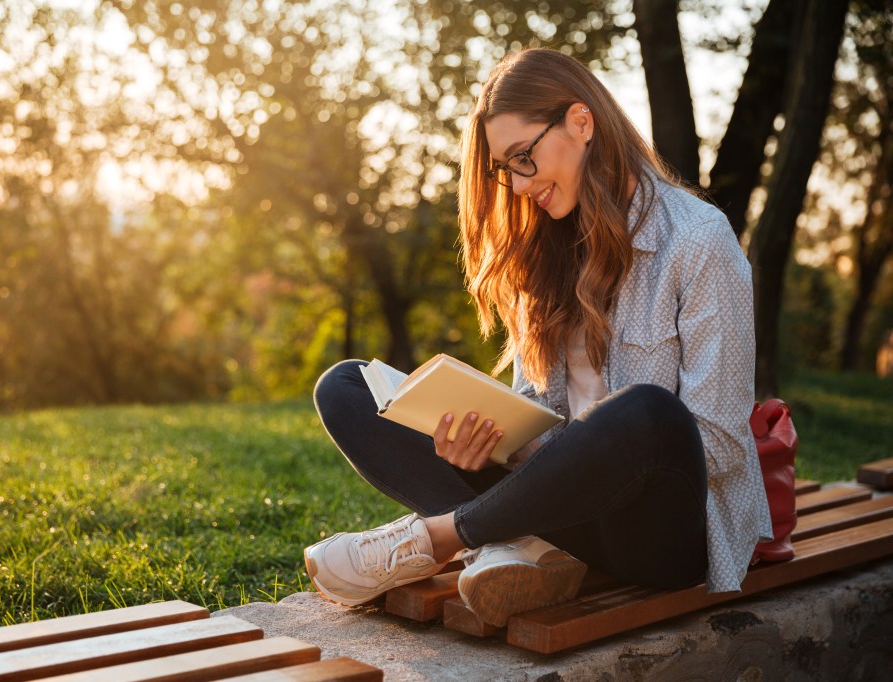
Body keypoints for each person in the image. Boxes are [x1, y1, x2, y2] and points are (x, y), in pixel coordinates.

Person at [304, 48, 772, 627]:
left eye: (524, 157)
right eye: (506, 168)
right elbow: (536, 412)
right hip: (556, 508)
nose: (520, 184)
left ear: (581, 122)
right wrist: (488, 439)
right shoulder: (544, 250)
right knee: (348, 387)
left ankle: (441, 538)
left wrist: (586, 451)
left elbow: (720, 443)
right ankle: (521, 545)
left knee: (648, 413)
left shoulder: (699, 241)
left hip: (659, 534)